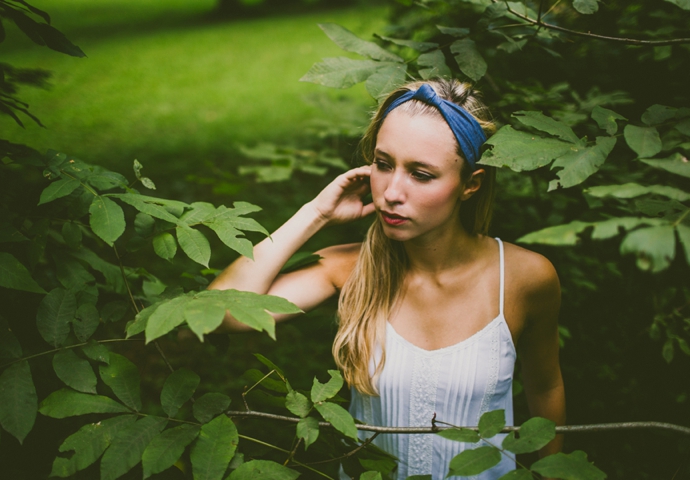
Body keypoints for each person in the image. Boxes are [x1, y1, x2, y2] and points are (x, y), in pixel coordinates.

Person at [209, 78, 565, 479]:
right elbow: (220, 314)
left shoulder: (523, 277)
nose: (391, 192)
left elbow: (545, 387)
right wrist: (316, 214)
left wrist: (549, 472)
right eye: (383, 164)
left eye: (421, 174)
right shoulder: (346, 270)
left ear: (471, 184)